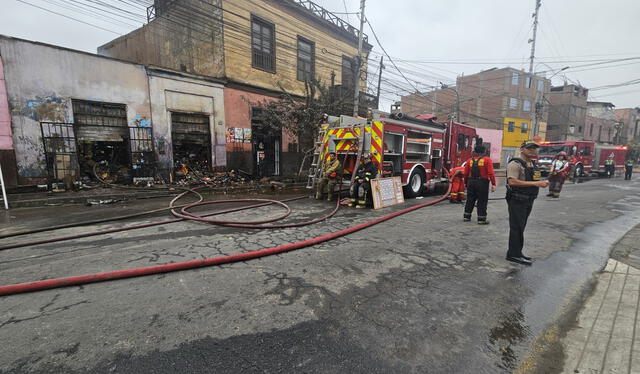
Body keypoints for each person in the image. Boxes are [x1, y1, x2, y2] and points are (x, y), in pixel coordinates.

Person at [505, 141, 550, 266]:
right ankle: (513, 254)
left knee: (521, 227)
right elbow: (512, 182)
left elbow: (534, 180)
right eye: (529, 148)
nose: (532, 151)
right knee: (516, 227)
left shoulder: (532, 164)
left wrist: (541, 182)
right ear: (522, 149)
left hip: (528, 199)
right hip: (517, 199)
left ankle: (518, 252)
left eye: (534, 149)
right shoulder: (515, 164)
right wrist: (536, 184)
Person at [463, 145, 496, 224]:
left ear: (475, 152)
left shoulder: (469, 160)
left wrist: (465, 183)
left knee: (470, 199)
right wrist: (493, 184)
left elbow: (466, 173)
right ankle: (481, 219)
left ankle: (466, 216)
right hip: (482, 182)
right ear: (484, 151)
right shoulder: (487, 160)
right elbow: (490, 173)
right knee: (482, 200)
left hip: (471, 182)